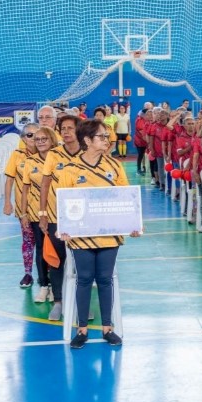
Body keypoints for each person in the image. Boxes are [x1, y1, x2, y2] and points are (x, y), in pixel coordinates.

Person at [57, 120, 142, 348]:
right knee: (84, 279)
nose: (107, 140)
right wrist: (64, 228)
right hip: (81, 237)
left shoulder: (115, 167)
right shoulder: (70, 169)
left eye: (107, 136)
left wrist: (133, 224)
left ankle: (107, 328)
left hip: (109, 236)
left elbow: (127, 198)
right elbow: (63, 203)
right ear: (87, 140)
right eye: (102, 136)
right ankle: (82, 330)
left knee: (105, 280)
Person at [38, 114, 83, 321]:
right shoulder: (54, 155)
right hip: (57, 217)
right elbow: (45, 185)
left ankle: (80, 303)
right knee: (57, 261)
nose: (65, 132)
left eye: (70, 128)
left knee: (82, 263)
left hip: (83, 220)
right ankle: (58, 302)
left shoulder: (87, 153)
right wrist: (43, 213)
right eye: (62, 128)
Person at [21, 126, 56, 304]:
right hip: (36, 213)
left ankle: (56, 287)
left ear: (52, 140)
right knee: (41, 249)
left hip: (57, 212)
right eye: (37, 139)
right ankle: (44, 285)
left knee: (58, 250)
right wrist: (23, 213)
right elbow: (25, 190)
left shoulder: (60, 159)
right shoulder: (30, 162)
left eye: (44, 139)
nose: (40, 142)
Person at [4, 122, 39, 288]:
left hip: (46, 208)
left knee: (46, 242)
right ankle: (28, 273)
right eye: (30, 135)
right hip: (24, 207)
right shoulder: (17, 155)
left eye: (37, 134)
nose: (34, 138)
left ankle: (47, 275)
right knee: (28, 240)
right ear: (23, 139)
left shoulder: (49, 155)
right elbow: (9, 178)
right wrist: (7, 203)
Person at [133, 103, 153, 175]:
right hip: (140, 141)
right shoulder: (139, 120)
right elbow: (143, 134)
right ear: (143, 115)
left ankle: (145, 168)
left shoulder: (148, 121)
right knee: (141, 154)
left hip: (145, 141)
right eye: (148, 114)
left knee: (147, 155)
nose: (150, 115)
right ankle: (138, 169)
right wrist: (150, 143)